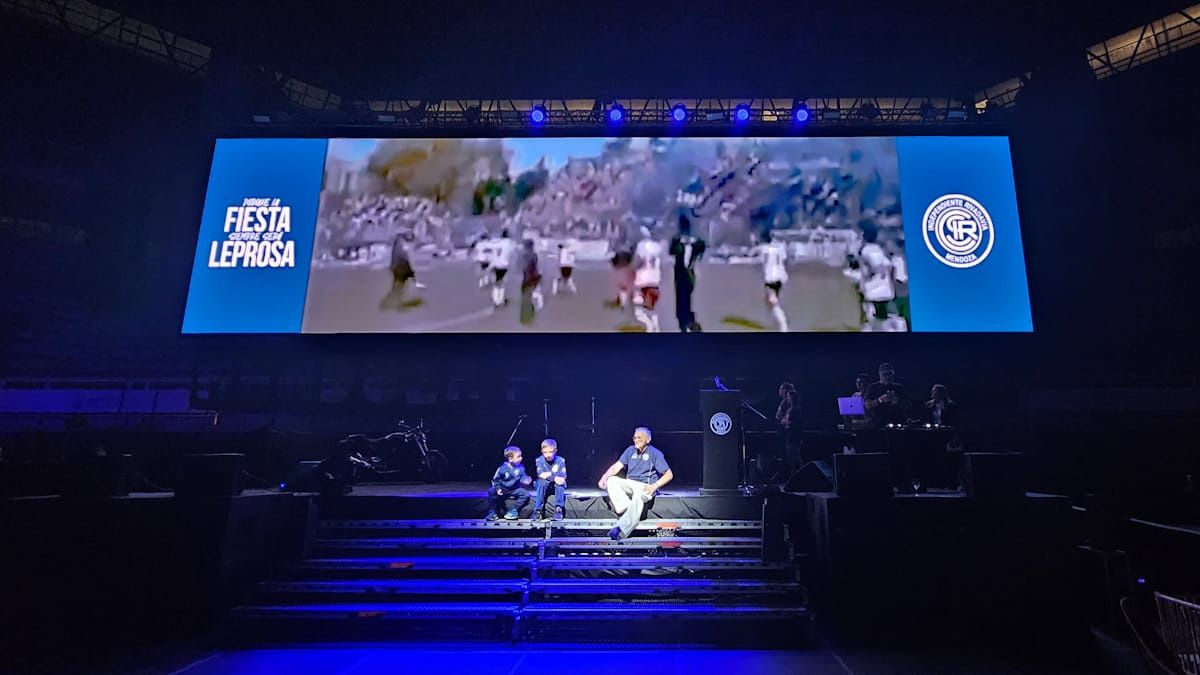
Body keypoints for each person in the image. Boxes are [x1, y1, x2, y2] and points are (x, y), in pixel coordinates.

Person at [597, 427, 673, 540]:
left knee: (638, 497)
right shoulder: (630, 450)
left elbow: (669, 474)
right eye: (634, 438)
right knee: (611, 480)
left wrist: (655, 486)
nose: (636, 440)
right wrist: (604, 477)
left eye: (639, 438)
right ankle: (626, 507)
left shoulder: (655, 453)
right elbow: (617, 466)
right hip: (631, 483)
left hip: (645, 486)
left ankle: (621, 530)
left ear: (648, 439)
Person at [669, 214, 706, 332]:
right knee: (685, 298)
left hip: (684, 274)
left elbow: (672, 251)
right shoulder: (691, 241)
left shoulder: (680, 241)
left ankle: (686, 323)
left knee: (682, 299)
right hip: (688, 274)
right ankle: (687, 322)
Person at [487, 446, 532, 521]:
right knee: (491, 491)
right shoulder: (502, 468)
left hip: (514, 490)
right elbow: (496, 480)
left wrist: (526, 480)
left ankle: (513, 510)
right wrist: (498, 489)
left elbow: (523, 476)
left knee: (525, 494)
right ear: (510, 459)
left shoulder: (521, 467)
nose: (521, 458)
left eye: (520, 456)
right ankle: (493, 512)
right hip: (503, 489)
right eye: (518, 456)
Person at [757, 230, 790, 332]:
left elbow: (763, 262)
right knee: (770, 301)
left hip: (771, 278)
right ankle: (774, 324)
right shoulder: (780, 246)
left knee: (773, 302)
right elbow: (785, 260)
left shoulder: (764, 248)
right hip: (781, 276)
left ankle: (783, 325)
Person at [632, 227, 663, 332]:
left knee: (638, 310)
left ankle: (650, 326)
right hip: (654, 280)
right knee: (651, 307)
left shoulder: (640, 246)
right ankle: (656, 328)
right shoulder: (657, 247)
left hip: (642, 280)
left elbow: (637, 261)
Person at [863, 362, 910, 428]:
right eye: (885, 374)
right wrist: (880, 400)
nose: (887, 377)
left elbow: (908, 405)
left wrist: (898, 401)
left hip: (897, 424)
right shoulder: (872, 387)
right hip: (877, 425)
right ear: (880, 374)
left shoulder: (899, 387)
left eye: (890, 374)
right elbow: (867, 405)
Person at [533, 438, 567, 522]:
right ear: (542, 451)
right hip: (543, 485)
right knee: (542, 482)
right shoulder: (539, 460)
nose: (548, 455)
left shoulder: (560, 460)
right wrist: (554, 477)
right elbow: (541, 475)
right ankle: (538, 510)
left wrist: (549, 475)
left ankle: (558, 508)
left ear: (555, 451)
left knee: (560, 485)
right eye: (545, 452)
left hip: (554, 485)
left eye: (550, 452)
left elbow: (562, 477)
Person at [774, 382, 802, 475]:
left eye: (781, 389)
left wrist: (785, 421)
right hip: (786, 434)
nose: (779, 391)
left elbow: (791, 420)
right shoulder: (785, 403)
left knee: (791, 456)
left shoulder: (790, 406)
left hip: (789, 435)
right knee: (787, 455)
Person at [489, 229, 518, 308]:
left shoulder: (497, 242)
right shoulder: (510, 243)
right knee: (501, 283)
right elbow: (514, 249)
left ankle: (495, 300)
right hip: (504, 265)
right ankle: (500, 300)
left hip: (495, 264)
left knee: (496, 283)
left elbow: (490, 246)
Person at [519, 238, 544, 324]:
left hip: (526, 278)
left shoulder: (524, 255)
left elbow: (523, 267)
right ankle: (529, 316)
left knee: (525, 298)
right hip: (532, 278)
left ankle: (525, 317)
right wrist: (539, 277)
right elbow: (536, 267)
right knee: (530, 297)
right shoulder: (534, 255)